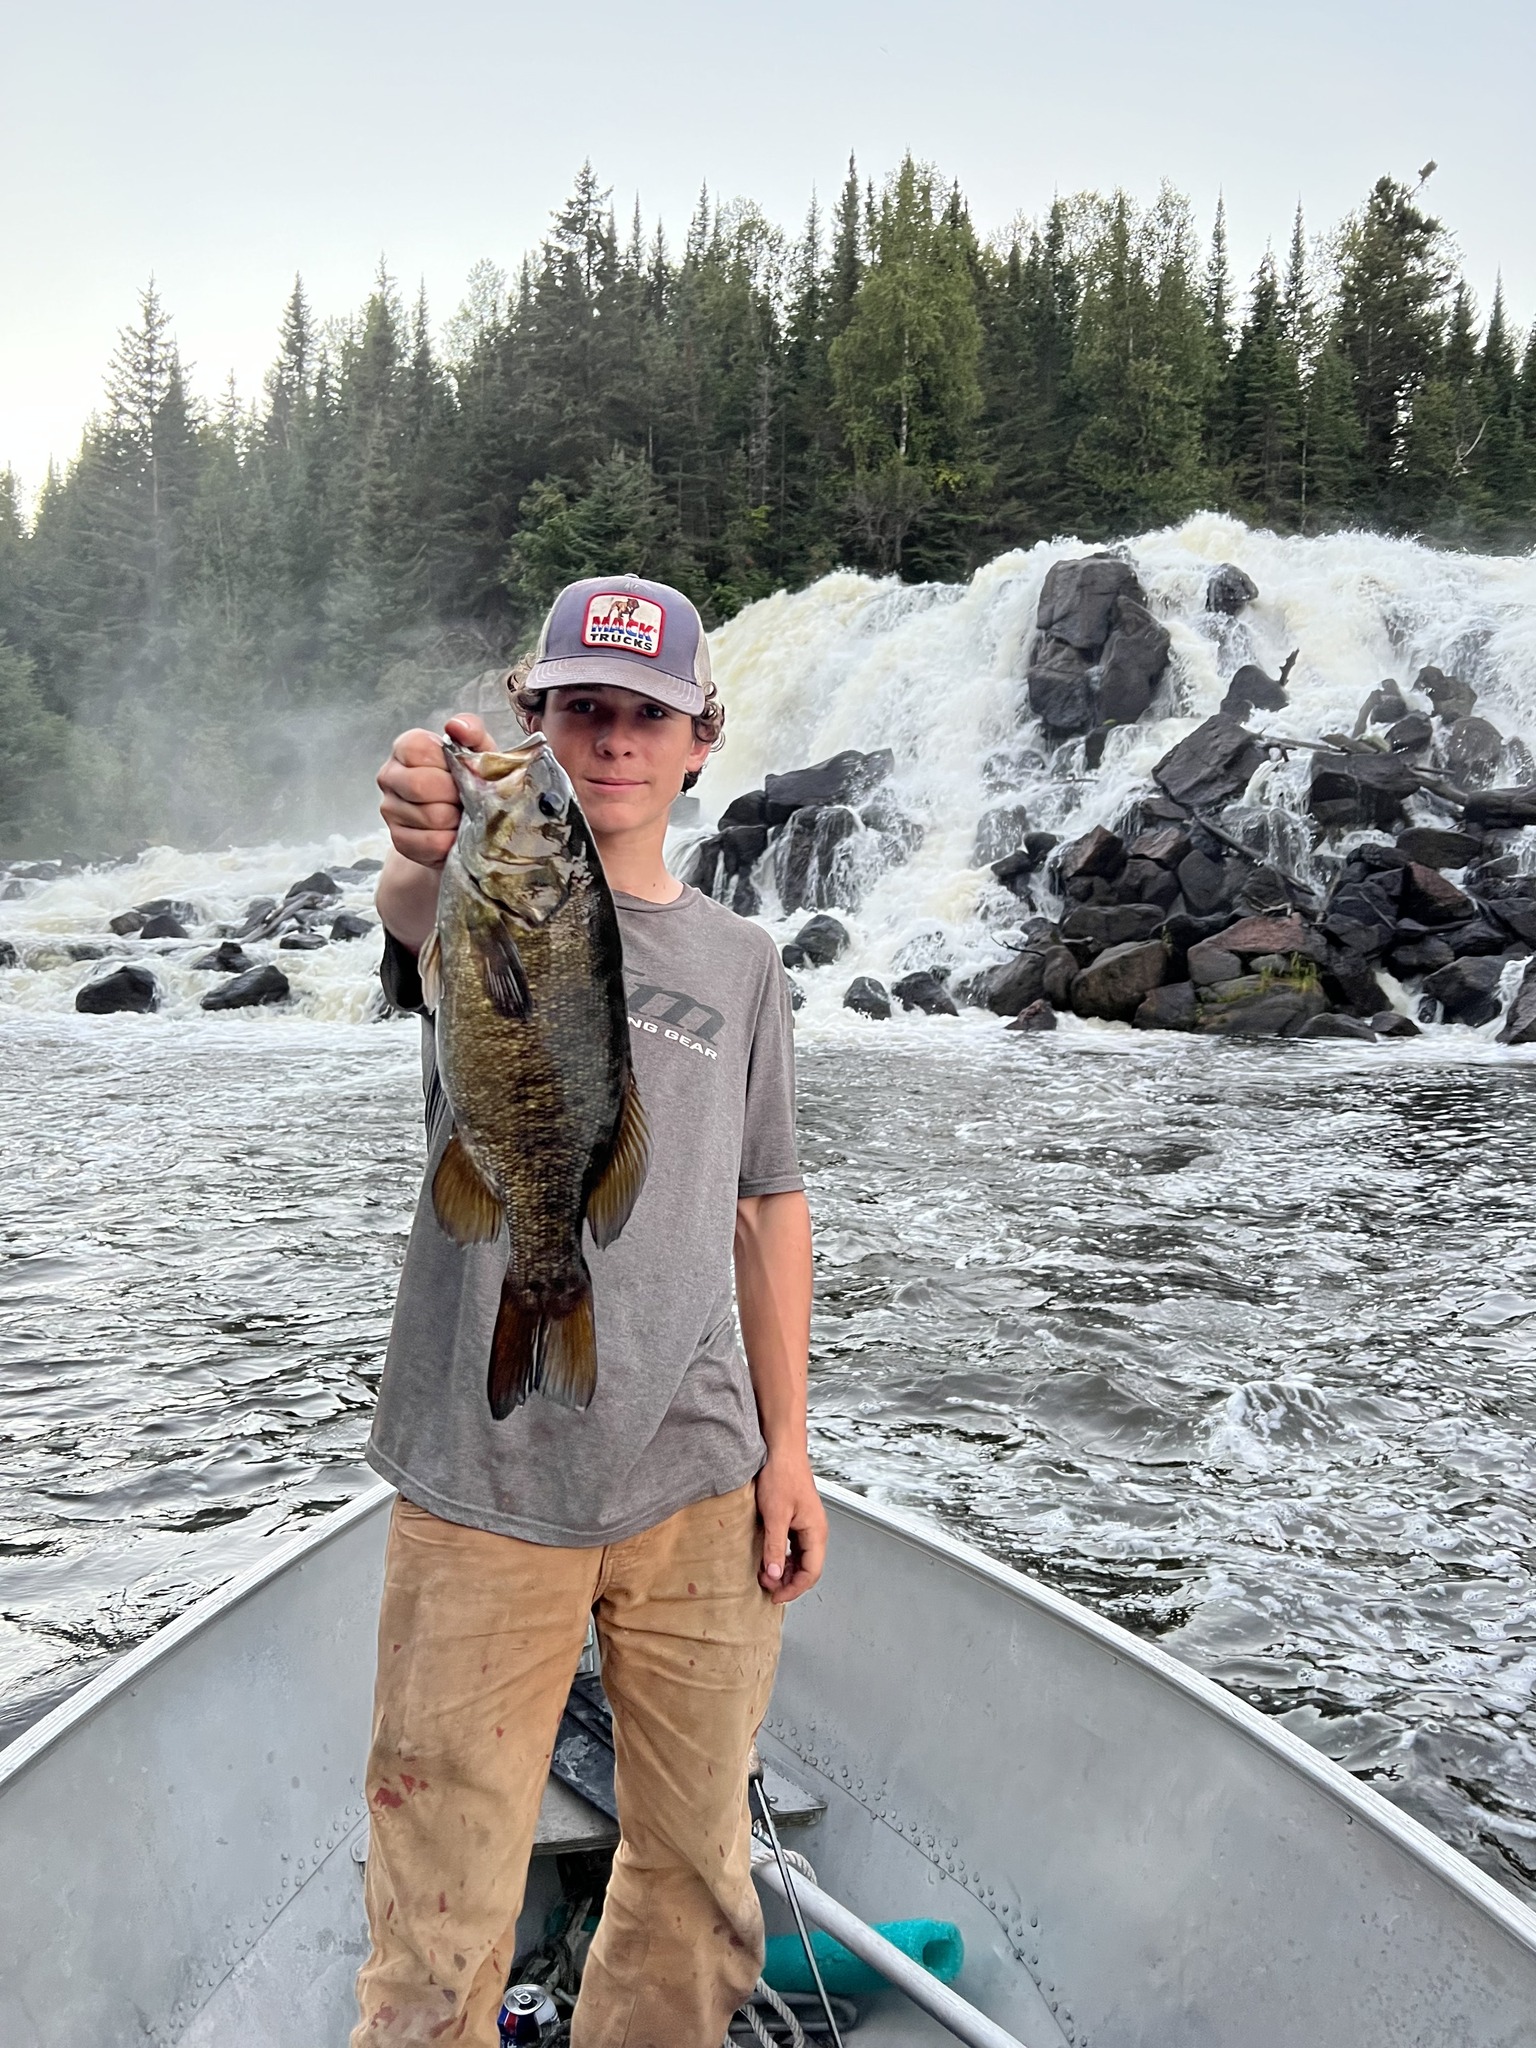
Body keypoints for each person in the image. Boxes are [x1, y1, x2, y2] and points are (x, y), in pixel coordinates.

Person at [353, 573, 827, 2048]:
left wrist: (789, 1447)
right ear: (531, 723)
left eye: (644, 716)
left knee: (697, 1884)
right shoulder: (478, 894)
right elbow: (414, 899)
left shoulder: (745, 964)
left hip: (696, 1473)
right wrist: (425, 840)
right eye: (577, 712)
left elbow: (768, 1205)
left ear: (700, 742)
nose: (609, 741)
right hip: (482, 1474)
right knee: (435, 1927)